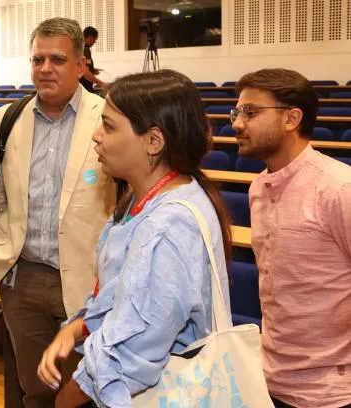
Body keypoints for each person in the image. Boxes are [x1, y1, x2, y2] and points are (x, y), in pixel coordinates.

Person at [37, 69, 233, 407]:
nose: (97, 136)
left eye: (110, 127)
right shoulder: (142, 200)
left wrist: (67, 399)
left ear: (153, 141)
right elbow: (119, 296)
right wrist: (77, 328)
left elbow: (132, 350)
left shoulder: (169, 226)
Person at [0, 17, 116, 408]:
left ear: (80, 65)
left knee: (87, 390)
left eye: (57, 59)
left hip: (89, 282)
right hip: (23, 280)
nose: (45, 68)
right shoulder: (4, 120)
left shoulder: (109, 117)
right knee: (36, 391)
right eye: (38, 59)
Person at [232, 68, 351, 408]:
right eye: (237, 112)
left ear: (292, 119)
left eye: (251, 113)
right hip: (271, 378)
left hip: (332, 394)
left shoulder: (339, 188)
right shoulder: (258, 188)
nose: (238, 124)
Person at [78, 26, 106, 92]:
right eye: (95, 39)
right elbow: (85, 72)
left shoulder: (78, 48)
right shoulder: (85, 49)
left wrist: (92, 70)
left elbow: (80, 66)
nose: (95, 42)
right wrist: (101, 83)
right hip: (84, 89)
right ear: (90, 37)